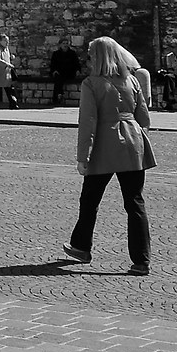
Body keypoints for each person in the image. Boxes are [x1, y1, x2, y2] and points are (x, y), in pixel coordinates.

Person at [62, 35, 154, 275]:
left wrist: (83, 157)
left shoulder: (91, 84)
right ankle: (141, 260)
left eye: (91, 54)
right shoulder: (131, 80)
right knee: (134, 203)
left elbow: (88, 122)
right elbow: (144, 117)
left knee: (89, 201)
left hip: (105, 145)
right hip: (133, 143)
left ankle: (82, 246)